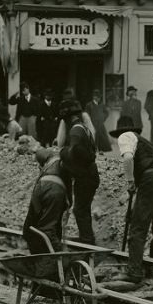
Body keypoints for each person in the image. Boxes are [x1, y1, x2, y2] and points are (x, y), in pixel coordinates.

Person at [109, 115, 153, 284]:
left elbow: (128, 158)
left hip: (150, 179)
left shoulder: (125, 136)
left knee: (138, 226)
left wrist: (130, 181)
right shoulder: (144, 141)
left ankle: (134, 272)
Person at [23, 148, 70, 278]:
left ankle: (42, 261)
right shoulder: (63, 162)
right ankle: (59, 254)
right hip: (54, 191)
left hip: (41, 188)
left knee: (33, 225)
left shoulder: (51, 159)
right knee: (48, 228)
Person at [58, 99, 99, 245]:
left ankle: (87, 240)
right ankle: (87, 237)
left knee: (80, 209)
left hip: (85, 176)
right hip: (90, 174)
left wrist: (63, 153)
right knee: (83, 208)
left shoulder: (75, 130)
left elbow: (74, 151)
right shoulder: (83, 128)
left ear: (68, 118)